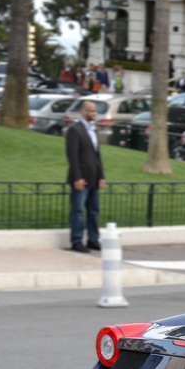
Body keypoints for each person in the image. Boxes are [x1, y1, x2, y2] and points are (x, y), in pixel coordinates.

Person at [66, 99, 107, 253]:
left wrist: (101, 176)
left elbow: (97, 156)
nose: (94, 113)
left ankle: (93, 240)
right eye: (91, 110)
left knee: (94, 211)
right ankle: (76, 241)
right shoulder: (75, 130)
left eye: (95, 111)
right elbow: (72, 156)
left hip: (94, 178)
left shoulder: (94, 130)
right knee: (78, 211)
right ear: (83, 111)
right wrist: (77, 177)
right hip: (81, 179)